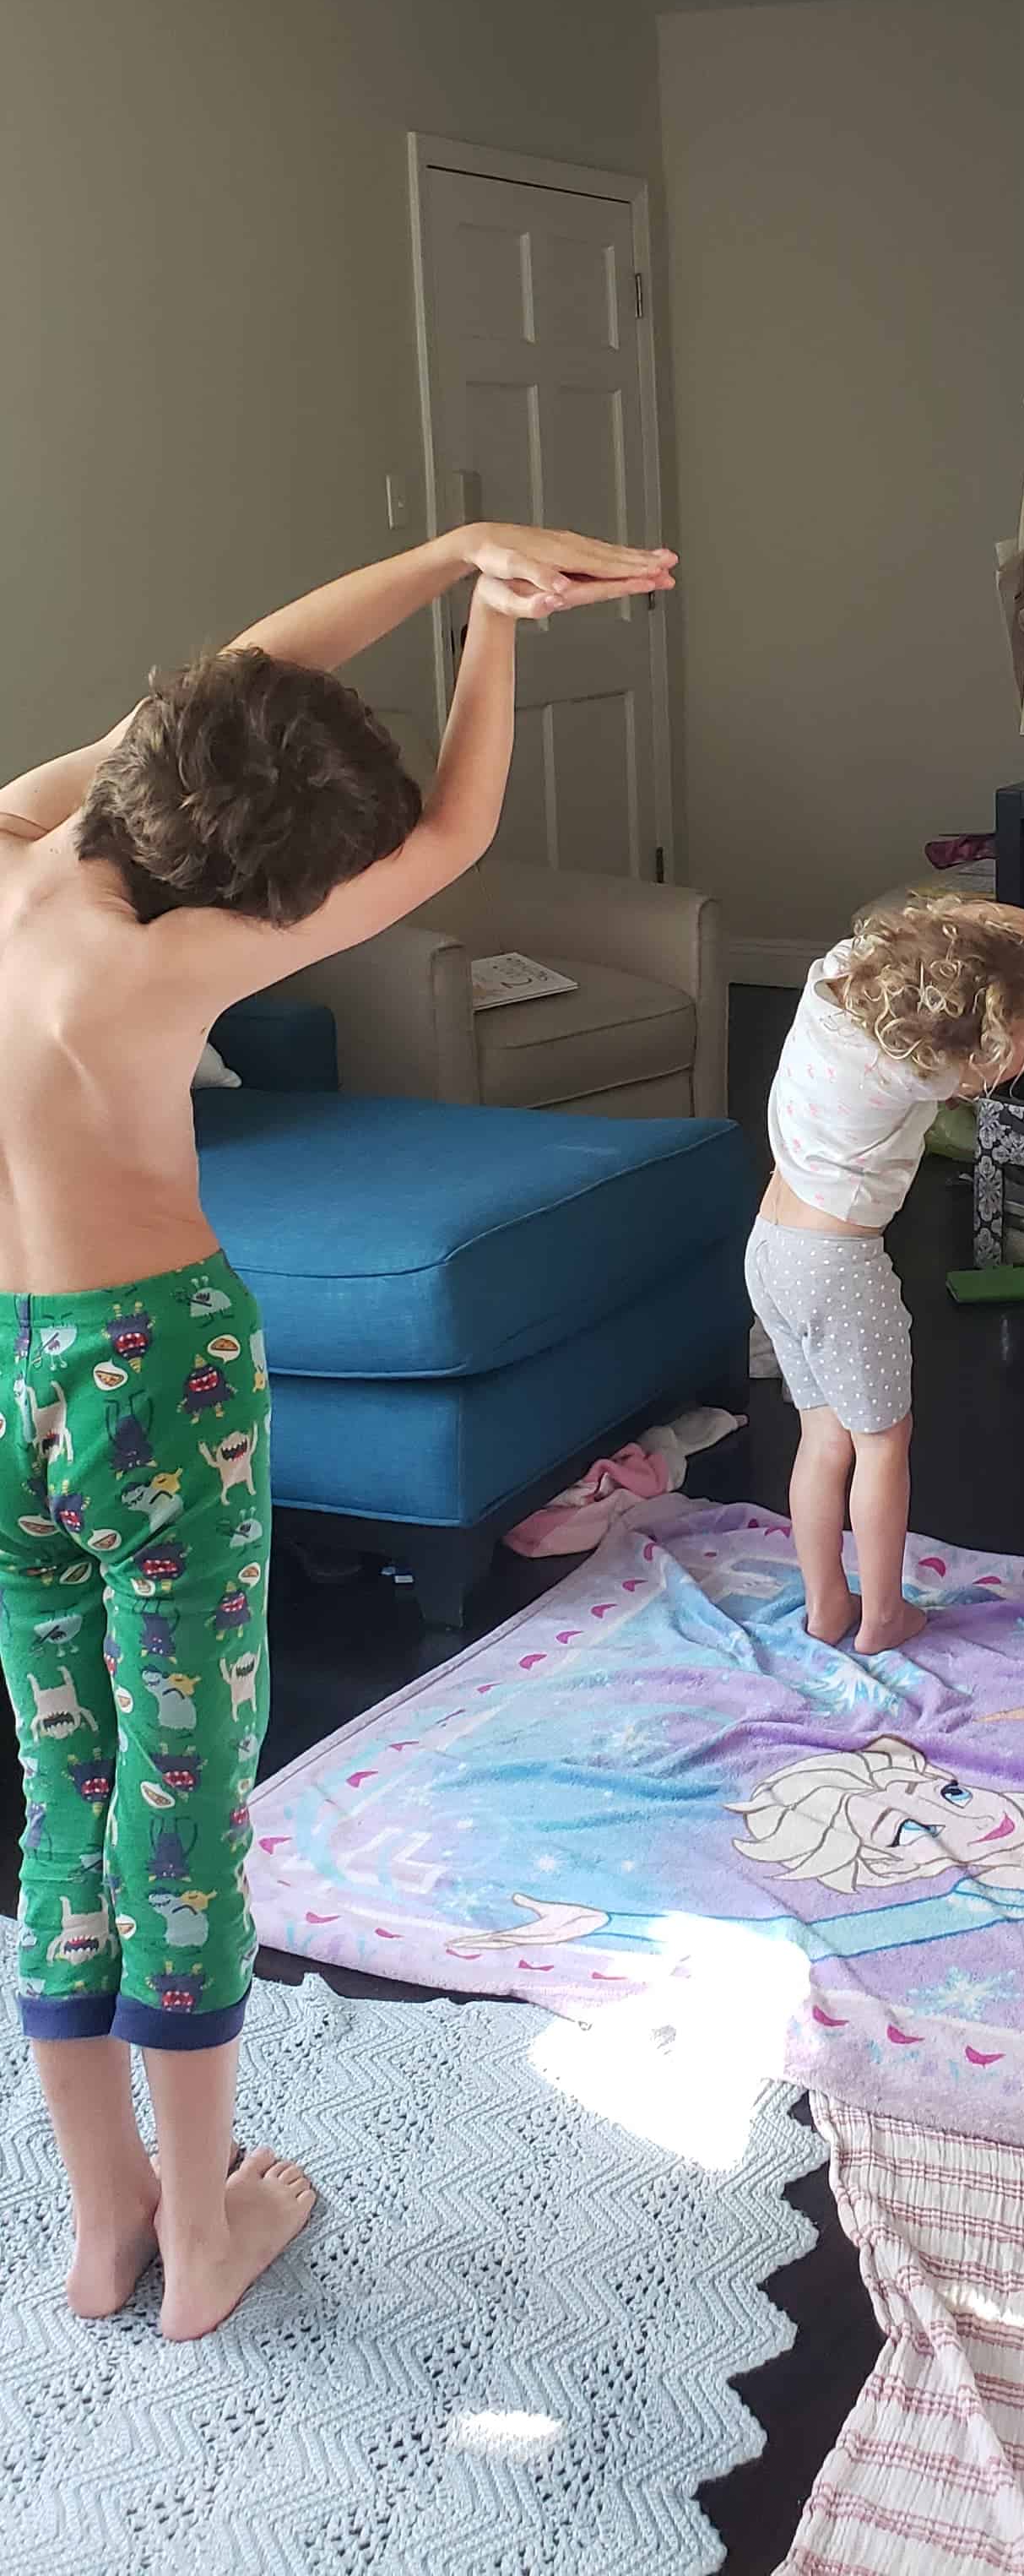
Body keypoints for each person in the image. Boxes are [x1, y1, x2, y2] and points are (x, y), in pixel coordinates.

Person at [0, 515, 673, 2340]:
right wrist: (496, 633)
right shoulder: (173, 965)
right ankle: (207, 2230)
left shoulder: (23, 835)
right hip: (156, 1378)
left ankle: (105, 2225)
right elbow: (452, 836)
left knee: (63, 1797)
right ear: (271, 888)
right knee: (184, 1807)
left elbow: (242, 673)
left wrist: (457, 550)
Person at [749, 895, 1024, 1654]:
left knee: (823, 1439)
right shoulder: (922, 1078)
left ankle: (827, 1606)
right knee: (884, 1445)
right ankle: (885, 1616)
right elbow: (979, 1056)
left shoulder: (831, 986)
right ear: (971, 1054)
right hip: (840, 1271)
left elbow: (935, 913)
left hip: (770, 1250)